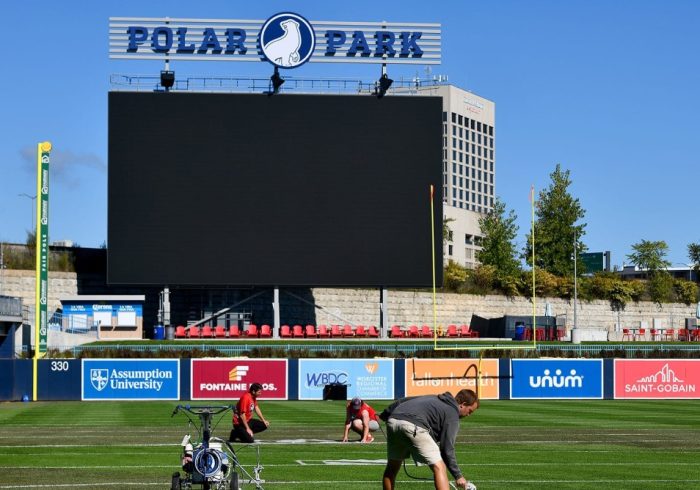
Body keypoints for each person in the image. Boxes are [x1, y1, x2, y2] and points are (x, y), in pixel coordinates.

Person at [381, 389, 479, 490]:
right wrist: (458, 476)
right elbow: (447, 448)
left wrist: (385, 414)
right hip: (413, 425)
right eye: (470, 411)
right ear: (463, 404)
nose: (468, 415)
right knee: (439, 467)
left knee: (392, 467)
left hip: (393, 421)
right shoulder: (452, 413)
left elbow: (402, 401)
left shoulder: (434, 397)